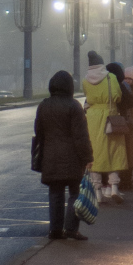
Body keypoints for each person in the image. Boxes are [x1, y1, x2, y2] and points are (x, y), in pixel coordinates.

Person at [33, 70, 93, 240]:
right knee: (75, 193)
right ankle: (71, 229)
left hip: (50, 158)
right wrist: (87, 157)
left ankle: (55, 230)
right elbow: (81, 136)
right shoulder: (74, 106)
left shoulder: (44, 105)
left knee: (55, 193)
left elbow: (39, 132)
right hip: (72, 158)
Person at [81, 51, 126, 203]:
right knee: (114, 152)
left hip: (92, 119)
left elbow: (88, 98)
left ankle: (97, 192)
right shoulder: (110, 77)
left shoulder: (85, 81)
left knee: (95, 154)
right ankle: (114, 188)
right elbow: (117, 96)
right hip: (109, 117)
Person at [107, 62, 133, 189]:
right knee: (123, 151)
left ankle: (106, 182)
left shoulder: (102, 85)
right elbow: (131, 102)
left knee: (107, 151)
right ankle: (124, 181)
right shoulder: (120, 86)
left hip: (104, 122)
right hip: (120, 122)